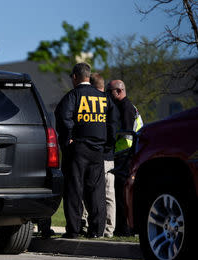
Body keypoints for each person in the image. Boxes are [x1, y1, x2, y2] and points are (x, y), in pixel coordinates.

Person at [55, 63, 117, 239]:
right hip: (98, 151)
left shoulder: (73, 96)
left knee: (74, 190)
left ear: (75, 77)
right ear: (88, 77)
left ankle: (74, 230)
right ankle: (96, 230)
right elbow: (113, 122)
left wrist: (68, 140)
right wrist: (107, 144)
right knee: (96, 191)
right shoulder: (104, 98)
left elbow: (62, 116)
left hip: (78, 150)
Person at [106, 79, 143, 236]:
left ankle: (125, 230)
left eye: (110, 92)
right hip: (127, 154)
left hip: (126, 155)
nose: (108, 95)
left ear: (119, 91)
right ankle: (124, 228)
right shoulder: (126, 106)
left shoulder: (125, 108)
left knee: (122, 195)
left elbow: (126, 132)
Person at [90, 73, 117, 238]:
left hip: (99, 153)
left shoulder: (97, 102)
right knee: (109, 194)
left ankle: (97, 227)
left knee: (95, 191)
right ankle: (109, 229)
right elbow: (113, 129)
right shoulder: (110, 102)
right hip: (108, 155)